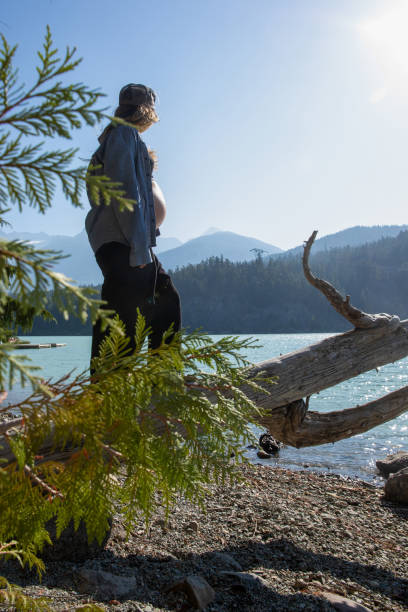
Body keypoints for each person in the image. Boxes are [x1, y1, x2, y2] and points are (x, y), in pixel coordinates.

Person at [85, 83, 181, 373]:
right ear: (146, 111)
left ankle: (154, 383)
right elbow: (125, 193)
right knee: (125, 318)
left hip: (123, 243)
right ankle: (119, 392)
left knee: (153, 302)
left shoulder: (118, 139)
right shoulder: (124, 135)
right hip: (126, 244)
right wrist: (139, 251)